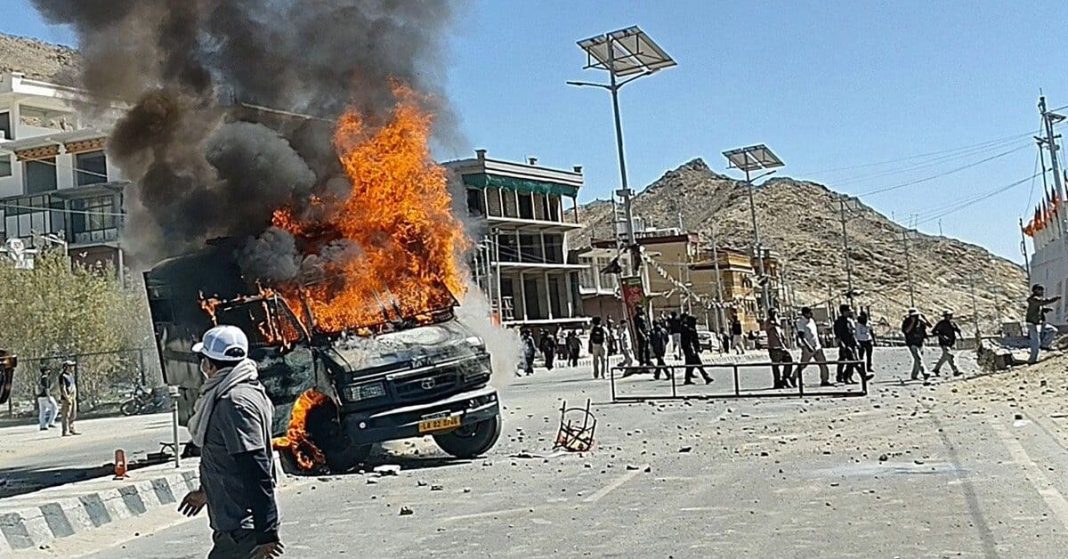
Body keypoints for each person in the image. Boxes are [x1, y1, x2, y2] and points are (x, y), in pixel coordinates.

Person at [180, 325, 283, 559]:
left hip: (242, 532)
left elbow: (255, 468)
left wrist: (266, 533)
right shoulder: (245, 390)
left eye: (203, 359)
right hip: (237, 527)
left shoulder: (234, 402)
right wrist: (205, 492)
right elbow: (229, 459)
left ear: (210, 364)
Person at [794, 307, 832, 386]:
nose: (811, 314)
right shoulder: (801, 322)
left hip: (817, 346)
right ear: (805, 313)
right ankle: (793, 378)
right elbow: (801, 336)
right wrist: (808, 346)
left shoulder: (811, 321)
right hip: (808, 347)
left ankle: (824, 380)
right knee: (803, 364)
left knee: (823, 363)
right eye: (809, 313)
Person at [1025, 284, 1061, 364]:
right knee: (1035, 342)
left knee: (1052, 330)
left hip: (1038, 323)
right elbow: (1043, 302)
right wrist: (1055, 299)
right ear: (1035, 291)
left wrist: (1045, 310)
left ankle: (1045, 345)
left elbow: (1038, 308)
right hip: (1032, 323)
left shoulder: (1036, 300)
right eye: (1040, 290)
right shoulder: (1033, 299)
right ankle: (1032, 360)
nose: (1042, 291)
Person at [833, 305, 868, 384]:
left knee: (850, 360)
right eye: (848, 310)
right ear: (844, 311)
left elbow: (852, 333)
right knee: (852, 361)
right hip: (845, 344)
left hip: (851, 343)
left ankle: (846, 376)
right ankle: (862, 375)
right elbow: (838, 334)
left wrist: (856, 342)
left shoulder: (850, 320)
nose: (850, 311)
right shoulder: (839, 322)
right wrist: (841, 344)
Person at [764, 309, 794, 389]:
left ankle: (785, 378)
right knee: (776, 365)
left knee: (789, 360)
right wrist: (775, 318)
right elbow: (773, 325)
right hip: (774, 347)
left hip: (782, 346)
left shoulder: (777, 323)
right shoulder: (769, 322)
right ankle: (777, 381)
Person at [901, 308, 931, 381]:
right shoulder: (907, 321)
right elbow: (906, 331)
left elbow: (929, 326)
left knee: (918, 359)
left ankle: (914, 375)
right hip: (912, 342)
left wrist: (925, 319)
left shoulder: (920, 322)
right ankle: (925, 372)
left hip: (920, 342)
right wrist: (912, 323)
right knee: (918, 358)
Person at [682, 314, 713, 384]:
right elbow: (690, 341)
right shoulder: (689, 329)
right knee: (697, 363)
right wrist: (693, 349)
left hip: (691, 349)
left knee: (690, 365)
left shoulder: (690, 328)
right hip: (690, 350)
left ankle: (688, 379)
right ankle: (706, 377)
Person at [931, 310, 962, 376]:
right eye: (949, 315)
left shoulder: (952, 323)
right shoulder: (941, 323)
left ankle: (936, 369)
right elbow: (934, 332)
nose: (950, 316)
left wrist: (960, 335)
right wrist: (942, 336)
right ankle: (955, 370)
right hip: (943, 343)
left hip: (951, 342)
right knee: (950, 356)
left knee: (945, 357)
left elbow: (957, 329)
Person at [58, 360, 79, 436]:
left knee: (73, 414)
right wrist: (67, 397)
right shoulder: (62, 376)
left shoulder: (70, 375)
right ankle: (65, 431)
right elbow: (62, 388)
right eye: (70, 366)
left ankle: (71, 428)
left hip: (73, 396)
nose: (72, 368)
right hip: (67, 397)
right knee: (66, 414)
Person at [36, 365, 57, 431]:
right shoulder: (45, 378)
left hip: (40, 397)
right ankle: (51, 422)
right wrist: (49, 398)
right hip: (45, 396)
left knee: (42, 411)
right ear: (45, 371)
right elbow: (46, 388)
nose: (49, 371)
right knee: (54, 408)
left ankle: (42, 425)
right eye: (48, 370)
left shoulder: (40, 378)